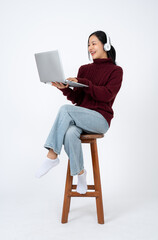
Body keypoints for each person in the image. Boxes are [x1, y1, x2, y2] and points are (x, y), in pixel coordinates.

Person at [35, 30, 123, 194]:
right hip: (81, 118)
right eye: (88, 44)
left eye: (94, 43)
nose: (90, 47)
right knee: (69, 133)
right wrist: (65, 89)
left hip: (100, 120)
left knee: (65, 110)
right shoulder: (84, 69)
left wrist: (83, 82)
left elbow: (106, 95)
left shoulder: (116, 71)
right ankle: (80, 173)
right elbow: (78, 99)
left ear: (106, 45)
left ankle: (52, 155)